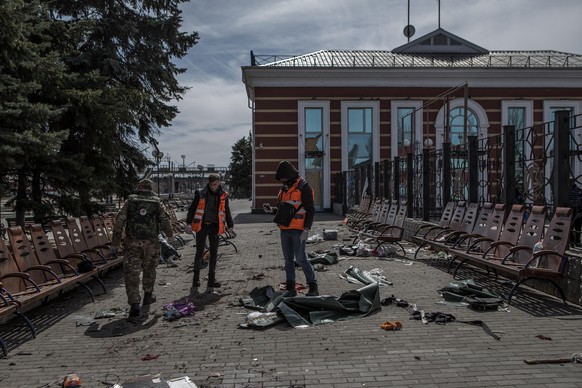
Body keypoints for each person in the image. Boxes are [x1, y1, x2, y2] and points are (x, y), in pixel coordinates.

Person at [111, 179, 174, 318]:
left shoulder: (130, 201)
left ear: (139, 187)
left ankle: (134, 303)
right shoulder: (157, 202)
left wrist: (115, 243)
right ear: (151, 189)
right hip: (151, 243)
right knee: (150, 269)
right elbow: (165, 221)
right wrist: (170, 236)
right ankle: (148, 296)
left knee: (132, 272)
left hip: (132, 242)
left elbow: (119, 221)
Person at [263, 161, 319, 297]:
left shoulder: (304, 187)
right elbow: (284, 210)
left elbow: (310, 210)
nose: (281, 181)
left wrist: (306, 230)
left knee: (301, 259)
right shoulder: (284, 189)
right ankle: (290, 288)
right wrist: (272, 210)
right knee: (288, 259)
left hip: (298, 230)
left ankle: (313, 287)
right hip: (285, 229)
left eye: (283, 178)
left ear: (289, 175)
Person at [186, 173, 235, 293]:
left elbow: (226, 211)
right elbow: (192, 208)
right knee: (199, 252)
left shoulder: (223, 195)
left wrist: (231, 226)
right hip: (202, 226)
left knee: (214, 253)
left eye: (215, 184)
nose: (213, 187)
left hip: (215, 227)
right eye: (211, 184)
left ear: (219, 182)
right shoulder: (201, 193)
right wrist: (188, 223)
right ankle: (196, 279)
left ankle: (211, 280)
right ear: (208, 183)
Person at [569, 177, 582, 246]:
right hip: (571, 210)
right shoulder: (568, 190)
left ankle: (577, 241)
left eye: (572, 181)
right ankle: (572, 242)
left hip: (577, 210)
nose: (571, 183)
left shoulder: (578, 190)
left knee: (577, 227)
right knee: (571, 227)